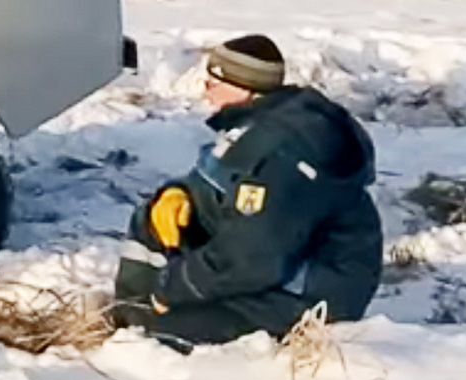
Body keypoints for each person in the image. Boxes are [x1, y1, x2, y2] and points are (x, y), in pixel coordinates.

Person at [113, 34, 383, 350]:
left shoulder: (278, 156)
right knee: (157, 218)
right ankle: (131, 313)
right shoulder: (260, 124)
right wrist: (179, 193)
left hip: (306, 297)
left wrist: (173, 288)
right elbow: (220, 182)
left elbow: (252, 258)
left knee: (161, 330)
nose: (205, 93)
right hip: (267, 266)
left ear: (243, 87)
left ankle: (142, 329)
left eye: (212, 84)